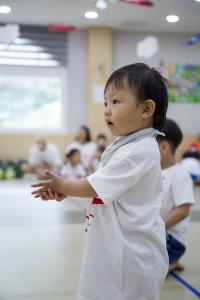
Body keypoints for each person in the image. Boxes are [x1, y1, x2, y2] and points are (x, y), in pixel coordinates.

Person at [31, 63, 169, 300]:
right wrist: (70, 190)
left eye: (115, 102)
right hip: (112, 249)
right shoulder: (125, 145)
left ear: (146, 109)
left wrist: (64, 185)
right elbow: (103, 186)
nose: (106, 110)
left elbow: (94, 185)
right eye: (105, 102)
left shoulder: (140, 150)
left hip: (129, 258)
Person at [157, 119, 195, 272]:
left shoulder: (180, 174)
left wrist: (157, 227)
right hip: (157, 235)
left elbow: (183, 210)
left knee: (145, 271)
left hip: (171, 239)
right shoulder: (154, 173)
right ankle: (170, 261)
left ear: (164, 147)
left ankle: (172, 260)